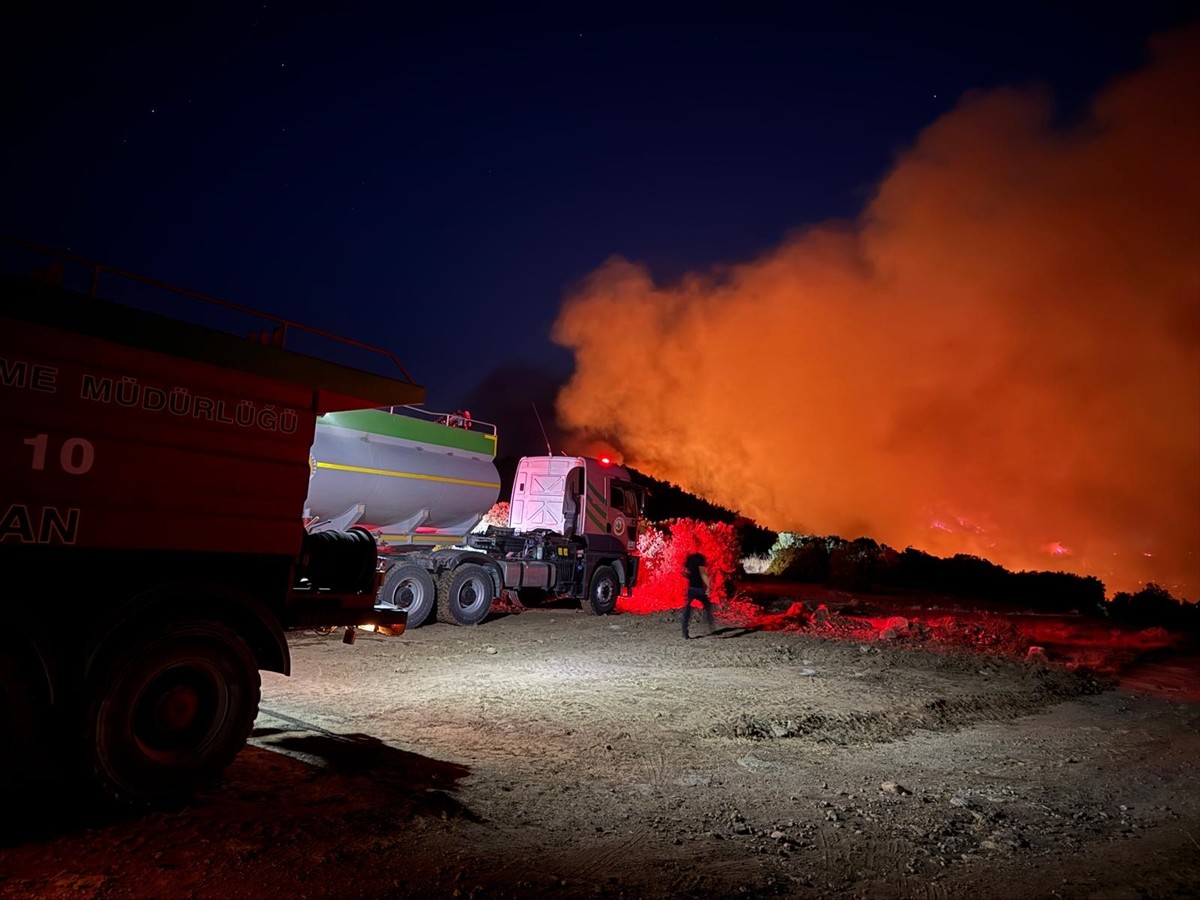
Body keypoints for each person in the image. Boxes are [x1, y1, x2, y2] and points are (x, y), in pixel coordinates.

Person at [681, 550, 716, 639]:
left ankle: (685, 631)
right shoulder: (700, 558)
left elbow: (684, 572)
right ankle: (711, 627)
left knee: (687, 609)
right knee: (707, 606)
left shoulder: (689, 558)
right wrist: (708, 586)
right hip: (699, 588)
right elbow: (703, 573)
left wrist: (691, 578)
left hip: (690, 588)